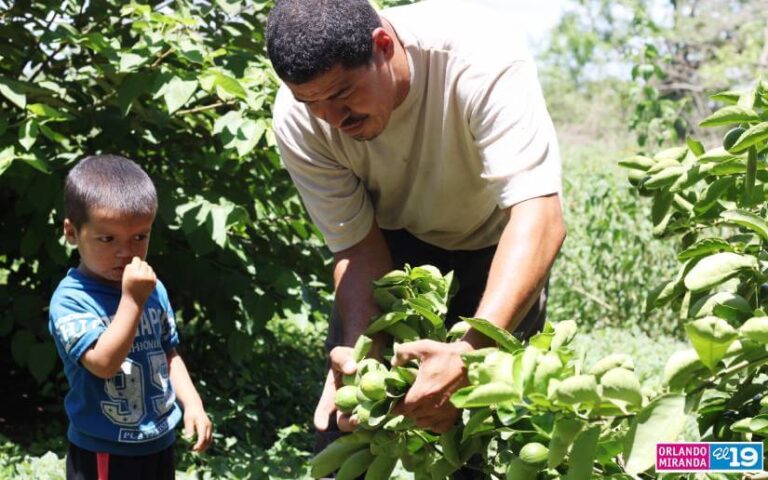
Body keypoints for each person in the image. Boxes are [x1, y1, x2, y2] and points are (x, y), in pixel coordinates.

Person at [267, 0, 565, 456]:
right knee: (348, 425)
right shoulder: (297, 118)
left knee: (485, 439)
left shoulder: (480, 58)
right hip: (395, 246)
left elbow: (538, 216)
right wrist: (363, 354)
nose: (332, 118)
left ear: (383, 46)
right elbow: (358, 246)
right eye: (313, 103)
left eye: (343, 93)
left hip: (497, 245)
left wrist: (469, 353)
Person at [48, 155, 213, 480]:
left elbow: (168, 352)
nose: (127, 252)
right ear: (71, 232)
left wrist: (192, 403)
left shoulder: (151, 288)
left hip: (158, 442)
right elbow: (103, 363)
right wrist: (131, 300)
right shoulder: (72, 299)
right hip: (105, 451)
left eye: (140, 237)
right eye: (107, 239)